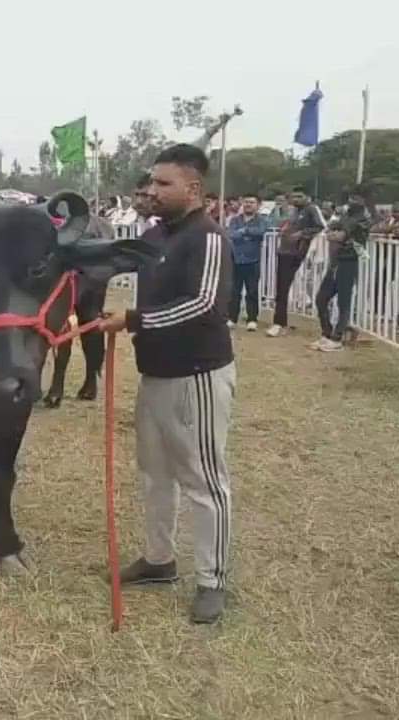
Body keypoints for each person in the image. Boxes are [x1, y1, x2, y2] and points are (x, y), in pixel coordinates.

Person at [97, 143, 235, 624]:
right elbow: (129, 284)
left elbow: (203, 306)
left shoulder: (208, 238)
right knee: (154, 474)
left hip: (196, 376)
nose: (151, 191)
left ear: (193, 189)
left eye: (163, 183)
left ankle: (212, 580)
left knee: (203, 480)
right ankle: (160, 560)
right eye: (151, 182)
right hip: (154, 374)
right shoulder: (155, 237)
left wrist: (131, 320)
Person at [312, 185, 372, 352]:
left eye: (356, 198)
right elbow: (330, 229)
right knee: (321, 298)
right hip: (335, 261)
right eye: (351, 197)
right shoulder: (346, 214)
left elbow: (339, 235)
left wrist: (335, 235)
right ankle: (327, 333)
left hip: (349, 261)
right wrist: (334, 233)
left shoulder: (364, 218)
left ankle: (337, 338)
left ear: (364, 200)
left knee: (343, 302)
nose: (352, 201)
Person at [267, 186, 324, 337]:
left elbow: (321, 226)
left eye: (299, 196)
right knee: (280, 287)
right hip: (284, 250)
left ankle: (279, 323)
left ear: (307, 196)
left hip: (296, 252)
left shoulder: (311, 209)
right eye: (294, 197)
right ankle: (280, 322)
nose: (296, 199)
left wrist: (302, 234)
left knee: (283, 287)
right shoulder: (293, 211)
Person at [226, 192, 269, 330]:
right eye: (246, 202)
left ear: (258, 205)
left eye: (251, 202)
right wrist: (248, 233)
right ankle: (232, 318)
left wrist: (244, 231)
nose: (248, 205)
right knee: (234, 291)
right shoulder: (234, 220)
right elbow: (231, 234)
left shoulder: (261, 219)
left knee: (252, 291)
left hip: (253, 260)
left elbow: (261, 232)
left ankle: (252, 319)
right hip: (236, 259)